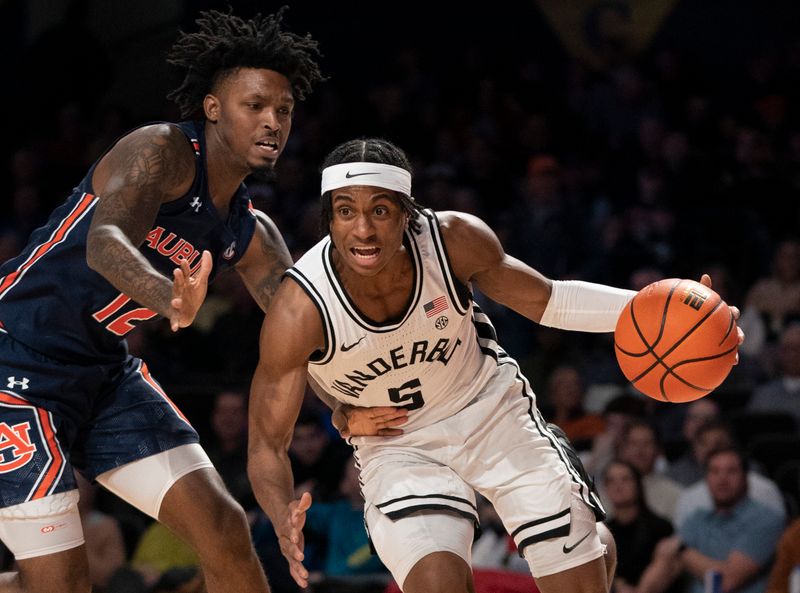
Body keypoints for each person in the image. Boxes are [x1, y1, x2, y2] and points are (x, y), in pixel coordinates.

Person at [247, 138, 739, 593]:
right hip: (399, 445)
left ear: (406, 213)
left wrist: (671, 313)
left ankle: (591, 538)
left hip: (490, 412)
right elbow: (267, 442)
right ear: (328, 219)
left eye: (380, 209)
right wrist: (282, 510)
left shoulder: (452, 240)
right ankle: (580, 524)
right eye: (345, 211)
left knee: (579, 582)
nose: (363, 228)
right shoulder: (299, 308)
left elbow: (552, 301)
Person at [0, 8, 323, 593]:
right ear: (214, 108)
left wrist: (354, 405)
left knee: (224, 527)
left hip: (104, 374)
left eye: (284, 110)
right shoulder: (163, 151)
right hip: (15, 359)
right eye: (256, 106)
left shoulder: (253, 233)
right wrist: (168, 297)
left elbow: (307, 335)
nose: (273, 121)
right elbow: (105, 241)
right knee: (63, 583)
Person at [642, 447, 784, 593]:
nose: (722, 478)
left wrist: (681, 549)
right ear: (707, 478)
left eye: (731, 471)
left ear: (745, 476)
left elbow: (726, 581)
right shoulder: (697, 519)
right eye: (715, 471)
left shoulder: (766, 519)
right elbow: (664, 561)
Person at [601, 460, 675, 593]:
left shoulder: (660, 528)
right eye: (611, 481)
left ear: (638, 485)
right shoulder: (602, 533)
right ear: (605, 489)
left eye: (625, 479)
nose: (618, 486)